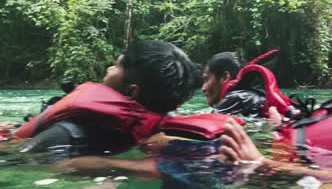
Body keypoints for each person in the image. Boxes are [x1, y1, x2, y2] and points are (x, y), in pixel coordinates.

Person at [14, 40, 200, 156]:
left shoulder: (68, 133)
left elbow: (17, 158)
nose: (109, 69)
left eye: (116, 66)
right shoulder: (167, 140)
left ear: (131, 92)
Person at [202, 52, 266, 117]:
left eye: (206, 79)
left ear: (224, 77)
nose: (203, 88)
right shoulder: (252, 95)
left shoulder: (235, 98)